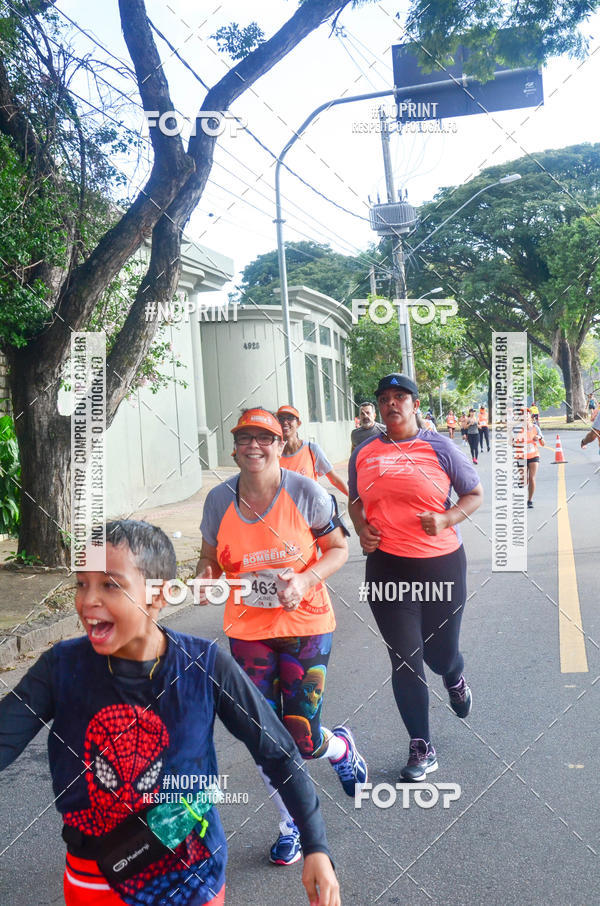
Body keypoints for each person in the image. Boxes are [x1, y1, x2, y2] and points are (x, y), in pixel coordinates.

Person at [0, 520, 340, 906]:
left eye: (110, 584)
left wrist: (316, 848)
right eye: (81, 583)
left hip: (193, 878)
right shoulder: (60, 667)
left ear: (157, 595)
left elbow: (277, 752)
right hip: (94, 879)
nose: (88, 600)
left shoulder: (206, 665)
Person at [196, 408, 367, 866]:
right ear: (233, 448)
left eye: (264, 438)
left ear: (279, 443)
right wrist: (204, 579)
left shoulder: (306, 491)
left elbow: (338, 549)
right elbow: (209, 558)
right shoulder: (218, 501)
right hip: (247, 631)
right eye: (245, 438)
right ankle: (290, 822)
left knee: (303, 738)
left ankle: (341, 747)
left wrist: (305, 581)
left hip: (305, 626)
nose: (255, 446)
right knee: (263, 736)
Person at [347, 374, 483, 782]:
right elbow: (355, 500)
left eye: (400, 397)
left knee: (439, 655)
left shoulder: (438, 446)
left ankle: (454, 676)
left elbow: (473, 494)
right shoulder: (364, 451)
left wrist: (446, 517)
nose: (392, 404)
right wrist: (361, 527)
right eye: (384, 399)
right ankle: (421, 743)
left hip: (440, 565)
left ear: (415, 403)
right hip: (387, 567)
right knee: (406, 658)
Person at [277, 405, 349, 496]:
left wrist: (353, 499)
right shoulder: (273, 454)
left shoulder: (312, 449)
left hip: (309, 509)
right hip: (283, 509)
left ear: (298, 423)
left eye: (290, 418)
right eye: (281, 419)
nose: (285, 422)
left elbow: (334, 479)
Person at [514, 411, 545, 508]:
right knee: (524, 479)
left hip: (533, 455)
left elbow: (543, 443)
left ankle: (529, 500)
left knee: (532, 478)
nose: (525, 418)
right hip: (521, 456)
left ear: (530, 417)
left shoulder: (535, 428)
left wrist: (539, 437)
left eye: (526, 416)